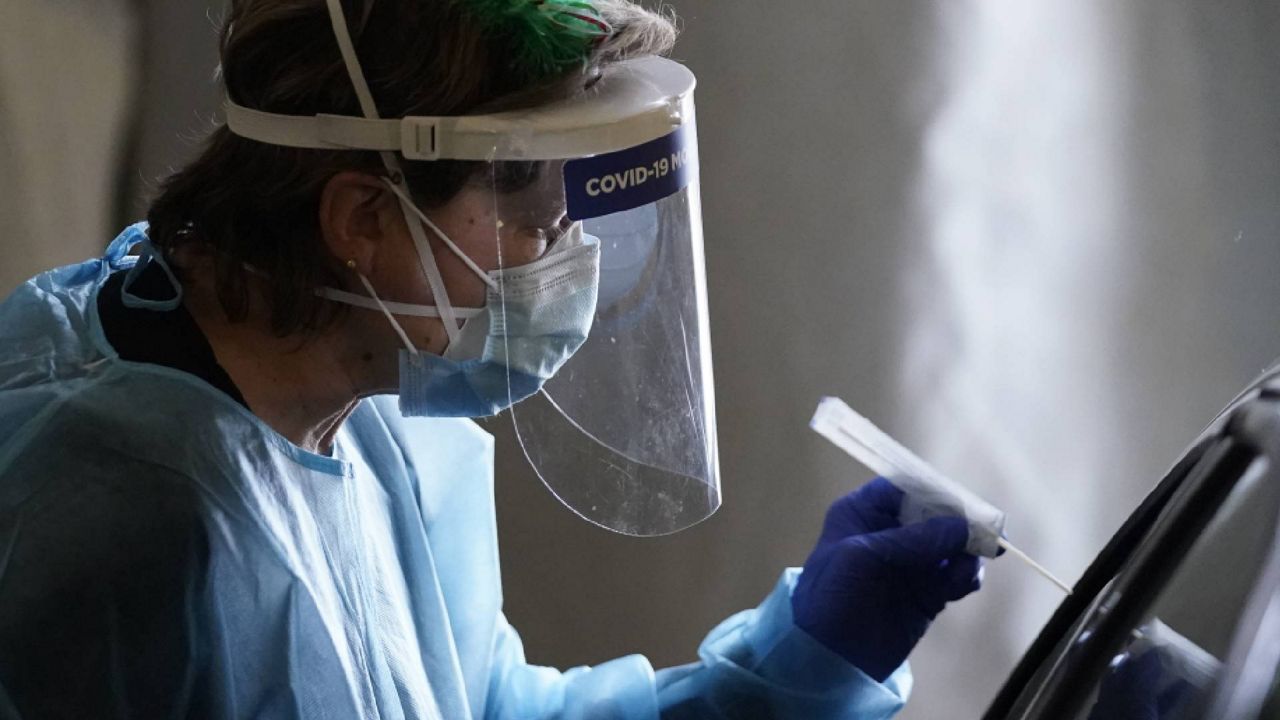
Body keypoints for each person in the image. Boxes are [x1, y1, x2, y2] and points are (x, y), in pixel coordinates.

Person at [0, 1, 983, 717]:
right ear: (363, 216)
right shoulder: (121, 519)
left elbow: (479, 708)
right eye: (520, 194)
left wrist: (807, 661)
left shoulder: (382, 412)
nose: (565, 243)